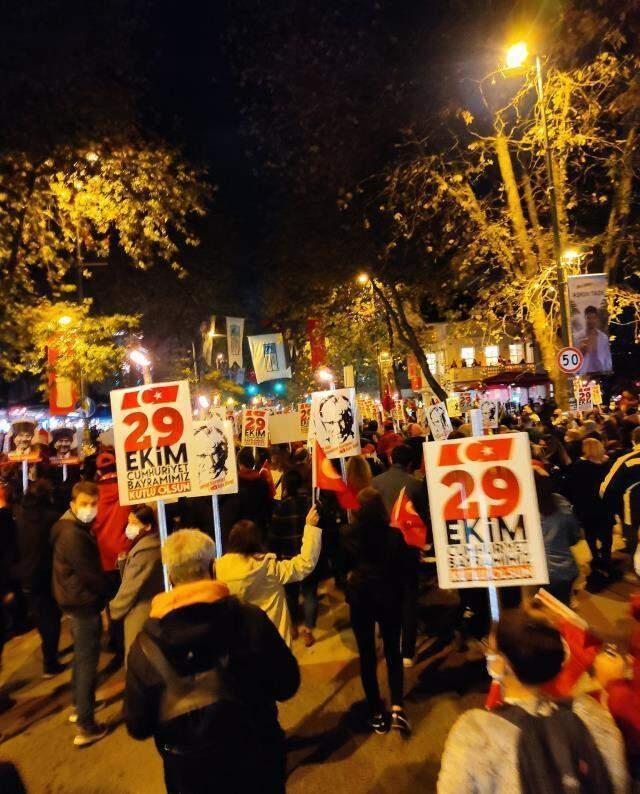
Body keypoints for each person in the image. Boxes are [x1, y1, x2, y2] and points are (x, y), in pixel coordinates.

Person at [125, 529, 299, 794]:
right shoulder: (250, 620)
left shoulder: (145, 648)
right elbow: (287, 684)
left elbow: (138, 725)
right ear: (212, 568)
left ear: (171, 577)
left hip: (190, 777)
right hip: (257, 764)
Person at [438, 610, 628, 793]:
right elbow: (616, 782)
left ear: (503, 664)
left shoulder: (476, 731)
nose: (487, 653)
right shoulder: (591, 714)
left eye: (491, 648)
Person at [342, 488, 410, 734]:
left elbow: (340, 566)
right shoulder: (394, 535)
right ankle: (398, 707)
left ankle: (375, 712)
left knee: (367, 655)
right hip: (389, 597)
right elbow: (404, 569)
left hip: (361, 598)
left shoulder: (348, 534)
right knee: (393, 652)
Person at [51, 481, 108, 746]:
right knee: (87, 661)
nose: (90, 509)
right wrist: (106, 594)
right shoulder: (73, 534)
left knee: (81, 658)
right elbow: (90, 573)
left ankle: (80, 704)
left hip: (73, 599)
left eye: (94, 503)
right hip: (82, 601)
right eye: (85, 504)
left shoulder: (71, 527)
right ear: (73, 504)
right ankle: (86, 724)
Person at [216, 506, 322, 646]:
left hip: (240, 644)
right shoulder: (269, 568)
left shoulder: (217, 569)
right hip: (273, 641)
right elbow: (305, 564)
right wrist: (310, 528)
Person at [372, 444, 428, 666]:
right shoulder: (416, 485)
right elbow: (424, 518)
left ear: (389, 457)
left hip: (382, 547)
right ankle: (408, 652)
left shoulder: (375, 483)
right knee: (409, 598)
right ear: (410, 464)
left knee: (388, 595)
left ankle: (389, 642)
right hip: (408, 547)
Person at [14, 479, 63, 677]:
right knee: (52, 618)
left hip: (26, 575)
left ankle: (49, 656)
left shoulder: (18, 516)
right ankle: (50, 661)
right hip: (46, 573)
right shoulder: (51, 518)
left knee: (42, 617)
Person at [269, 469, 319, 646]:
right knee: (310, 593)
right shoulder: (310, 504)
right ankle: (308, 629)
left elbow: (274, 535)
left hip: (287, 558)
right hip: (308, 555)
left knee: (290, 595)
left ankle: (292, 627)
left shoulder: (281, 507)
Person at [109, 504, 163, 662]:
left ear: (147, 526)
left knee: (136, 656)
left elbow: (131, 585)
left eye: (134, 523)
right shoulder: (146, 544)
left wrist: (115, 608)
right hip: (149, 606)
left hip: (141, 609)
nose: (129, 527)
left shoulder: (145, 550)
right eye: (128, 522)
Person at [93, 450, 131, 657]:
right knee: (128, 597)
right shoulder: (127, 490)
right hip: (125, 554)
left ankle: (115, 638)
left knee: (110, 600)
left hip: (103, 557)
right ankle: (127, 634)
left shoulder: (93, 494)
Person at [567, 438, 615, 587]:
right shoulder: (609, 464)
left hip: (586, 507)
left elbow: (570, 487)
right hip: (605, 506)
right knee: (607, 535)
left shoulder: (578, 466)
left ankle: (595, 557)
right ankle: (606, 558)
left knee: (590, 534)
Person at [535, 469, 581, 605]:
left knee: (548, 611)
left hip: (541, 572)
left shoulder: (527, 511)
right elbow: (575, 537)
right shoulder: (561, 503)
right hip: (565, 569)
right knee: (563, 609)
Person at [600, 425, 640, 560]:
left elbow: (607, 487)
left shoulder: (625, 460)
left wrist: (611, 506)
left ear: (634, 441)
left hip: (633, 508)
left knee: (634, 536)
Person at [219, 446, 273, 544]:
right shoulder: (263, 482)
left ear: (238, 462)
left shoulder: (232, 485)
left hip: (238, 536)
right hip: (258, 534)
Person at [577, 305, 613, 374]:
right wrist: (580, 351)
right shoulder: (578, 337)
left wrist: (608, 372)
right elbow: (575, 358)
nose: (591, 321)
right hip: (583, 373)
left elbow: (607, 358)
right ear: (585, 318)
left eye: (593, 318)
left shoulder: (603, 338)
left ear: (597, 319)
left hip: (601, 373)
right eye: (588, 318)